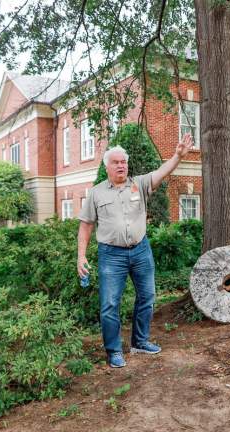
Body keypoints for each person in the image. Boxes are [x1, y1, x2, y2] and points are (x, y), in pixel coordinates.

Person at [77, 133, 193, 368]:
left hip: (141, 250)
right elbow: (86, 225)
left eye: (124, 162)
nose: (121, 165)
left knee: (148, 297)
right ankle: (114, 351)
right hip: (111, 255)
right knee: (110, 304)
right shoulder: (97, 193)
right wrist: (81, 255)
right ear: (107, 166)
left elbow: (162, 172)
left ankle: (140, 341)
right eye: (116, 162)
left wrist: (178, 156)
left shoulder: (139, 184)